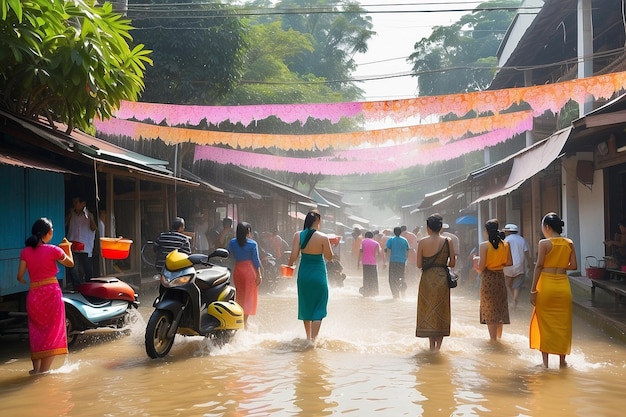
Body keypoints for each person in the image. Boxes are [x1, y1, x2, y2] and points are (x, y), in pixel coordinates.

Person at [16, 218, 74, 374]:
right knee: (52, 332)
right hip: (51, 294)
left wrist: (26, 281)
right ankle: (44, 372)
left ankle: (36, 370)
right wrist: (67, 248)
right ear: (48, 233)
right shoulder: (54, 250)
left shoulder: (25, 252)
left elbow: (20, 276)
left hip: (34, 295)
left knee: (36, 332)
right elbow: (70, 263)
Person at [530, 212, 578, 368]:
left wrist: (532, 290)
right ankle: (562, 362)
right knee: (563, 325)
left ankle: (545, 364)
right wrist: (560, 264)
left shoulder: (544, 243)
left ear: (547, 227)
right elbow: (574, 266)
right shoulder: (569, 242)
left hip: (546, 286)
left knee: (545, 324)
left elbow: (539, 266)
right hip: (563, 287)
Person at [287, 209, 333, 342]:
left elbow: (293, 256)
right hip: (319, 275)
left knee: (306, 306)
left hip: (304, 275)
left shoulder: (298, 235)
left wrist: (288, 266)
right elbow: (329, 257)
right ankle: (313, 341)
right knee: (318, 309)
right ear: (317, 221)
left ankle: (308, 338)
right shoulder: (323, 237)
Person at [416, 213, 455, 351]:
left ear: (428, 228)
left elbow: (419, 264)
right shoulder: (448, 241)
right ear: (440, 227)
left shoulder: (421, 242)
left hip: (427, 279)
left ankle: (431, 346)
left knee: (428, 310)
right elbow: (453, 263)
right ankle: (438, 347)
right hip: (442, 278)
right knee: (441, 310)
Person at [474, 219, 512, 341]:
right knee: (499, 308)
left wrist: (476, 263)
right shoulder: (505, 244)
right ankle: (499, 339)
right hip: (500, 278)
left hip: (488, 279)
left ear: (486, 231)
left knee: (490, 309)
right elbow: (510, 262)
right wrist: (498, 262)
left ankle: (493, 340)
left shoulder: (484, 245)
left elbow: (481, 267)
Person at [227, 222, 262, 329]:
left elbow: (226, 254)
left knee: (240, 296)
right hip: (249, 271)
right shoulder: (253, 244)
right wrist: (259, 275)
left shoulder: (232, 242)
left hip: (238, 271)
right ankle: (245, 323)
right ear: (248, 232)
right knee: (249, 297)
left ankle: (239, 321)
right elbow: (256, 261)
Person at [66, 196, 97, 288]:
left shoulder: (89, 215)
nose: (74, 204)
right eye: (74, 202)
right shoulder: (72, 214)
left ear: (83, 203)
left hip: (85, 246)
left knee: (87, 268)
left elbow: (94, 228)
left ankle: (89, 286)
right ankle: (76, 286)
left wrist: (90, 218)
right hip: (73, 244)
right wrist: (69, 215)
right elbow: (66, 224)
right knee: (73, 268)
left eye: (76, 202)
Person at [503, 224, 532, 310]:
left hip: (508, 266)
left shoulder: (506, 240)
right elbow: (527, 253)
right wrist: (530, 264)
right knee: (517, 286)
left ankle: (513, 298)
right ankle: (515, 299)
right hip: (520, 266)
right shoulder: (522, 240)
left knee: (507, 284)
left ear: (508, 231)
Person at [358, 231, 385, 297]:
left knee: (366, 278)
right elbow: (380, 253)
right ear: (372, 237)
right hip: (373, 263)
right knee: (374, 278)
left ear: (365, 236)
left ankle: (366, 293)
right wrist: (384, 263)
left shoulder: (363, 242)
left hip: (365, 263)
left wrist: (358, 263)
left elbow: (361, 252)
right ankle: (375, 293)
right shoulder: (376, 243)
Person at [385, 226, 410, 299]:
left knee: (392, 278)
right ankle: (403, 293)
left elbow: (388, 251)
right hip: (402, 262)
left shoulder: (391, 240)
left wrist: (387, 261)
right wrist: (406, 259)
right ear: (401, 232)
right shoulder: (404, 240)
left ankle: (395, 295)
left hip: (393, 261)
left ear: (394, 232)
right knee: (401, 277)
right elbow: (407, 250)